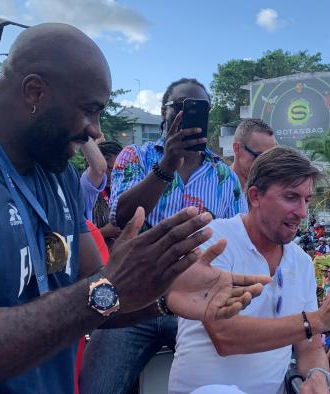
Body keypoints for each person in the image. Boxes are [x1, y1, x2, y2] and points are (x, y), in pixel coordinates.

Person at [0, 24, 268, 394]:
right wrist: (110, 288)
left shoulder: (55, 173)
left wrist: (164, 295)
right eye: (88, 109)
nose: (95, 130)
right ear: (35, 91)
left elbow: (93, 294)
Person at [83, 77, 248, 394]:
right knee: (97, 387)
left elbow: (236, 242)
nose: (189, 115)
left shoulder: (224, 176)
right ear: (164, 114)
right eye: (181, 107)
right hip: (132, 303)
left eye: (199, 109)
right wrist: (167, 165)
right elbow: (122, 217)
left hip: (194, 306)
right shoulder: (136, 157)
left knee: (227, 383)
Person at [168, 147, 330, 393]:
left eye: (307, 200)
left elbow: (310, 347)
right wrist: (314, 320)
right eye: (291, 197)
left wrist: (318, 376)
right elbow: (224, 336)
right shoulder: (214, 240)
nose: (303, 212)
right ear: (255, 196)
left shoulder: (301, 262)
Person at [83, 140, 124, 248]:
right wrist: (104, 232)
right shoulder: (86, 189)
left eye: (120, 169)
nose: (116, 174)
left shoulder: (122, 189)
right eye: (111, 169)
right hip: (95, 258)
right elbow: (77, 235)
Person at [230, 118, 277, 189]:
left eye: (271, 157)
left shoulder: (272, 188)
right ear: (237, 148)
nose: (267, 165)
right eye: (260, 157)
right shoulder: (217, 188)